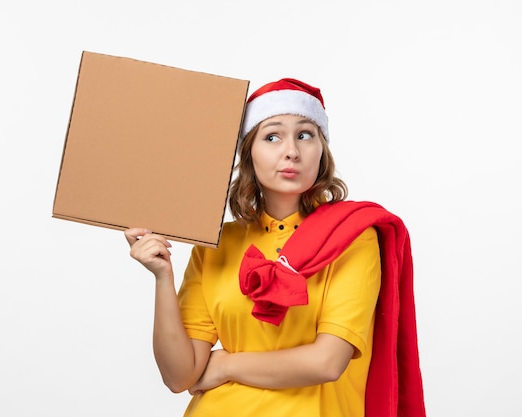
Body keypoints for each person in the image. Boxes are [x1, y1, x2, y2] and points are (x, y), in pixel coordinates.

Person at [124, 78, 426, 417]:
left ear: (321, 150)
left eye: (305, 134)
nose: (292, 151)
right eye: (272, 136)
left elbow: (326, 363)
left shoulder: (353, 236)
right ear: (249, 153)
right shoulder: (216, 245)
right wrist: (162, 276)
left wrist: (226, 366)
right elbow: (180, 376)